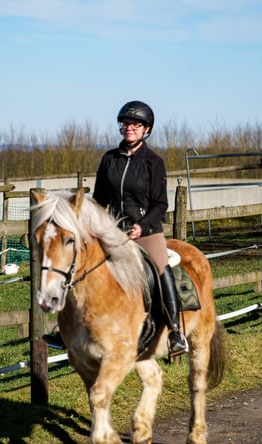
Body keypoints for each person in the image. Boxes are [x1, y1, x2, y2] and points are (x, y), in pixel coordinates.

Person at [92, 100, 188, 357]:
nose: (129, 128)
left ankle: (176, 331)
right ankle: (71, 327)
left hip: (146, 231)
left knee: (160, 268)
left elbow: (160, 204)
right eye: (126, 123)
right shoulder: (109, 159)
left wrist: (141, 226)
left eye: (136, 124)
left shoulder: (153, 162)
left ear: (146, 129)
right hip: (114, 232)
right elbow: (99, 199)